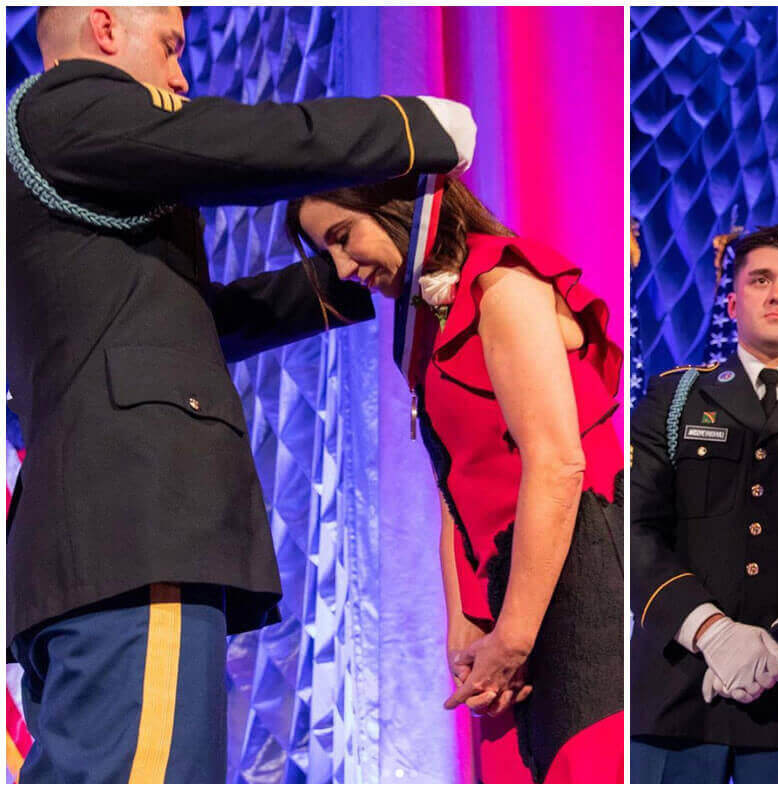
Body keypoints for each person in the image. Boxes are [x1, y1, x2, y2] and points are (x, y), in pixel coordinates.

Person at [6, 6, 475, 783]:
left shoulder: (65, 177)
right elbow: (228, 142)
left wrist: (338, 279)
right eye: (170, 47)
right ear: (105, 29)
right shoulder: (67, 107)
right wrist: (411, 128)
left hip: (95, 546)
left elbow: (174, 329)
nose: (181, 77)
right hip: (132, 528)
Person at [288, 175, 625, 783]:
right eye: (326, 252)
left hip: (579, 574)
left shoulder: (505, 286)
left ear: (397, 206)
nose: (341, 268)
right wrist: (465, 626)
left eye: (343, 237)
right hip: (508, 595)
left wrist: (513, 638)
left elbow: (558, 465)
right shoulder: (429, 319)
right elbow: (453, 486)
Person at [629, 225, 778, 783]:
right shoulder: (675, 398)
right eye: (760, 280)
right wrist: (712, 632)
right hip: (676, 696)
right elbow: (635, 528)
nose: (777, 294)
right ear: (733, 301)